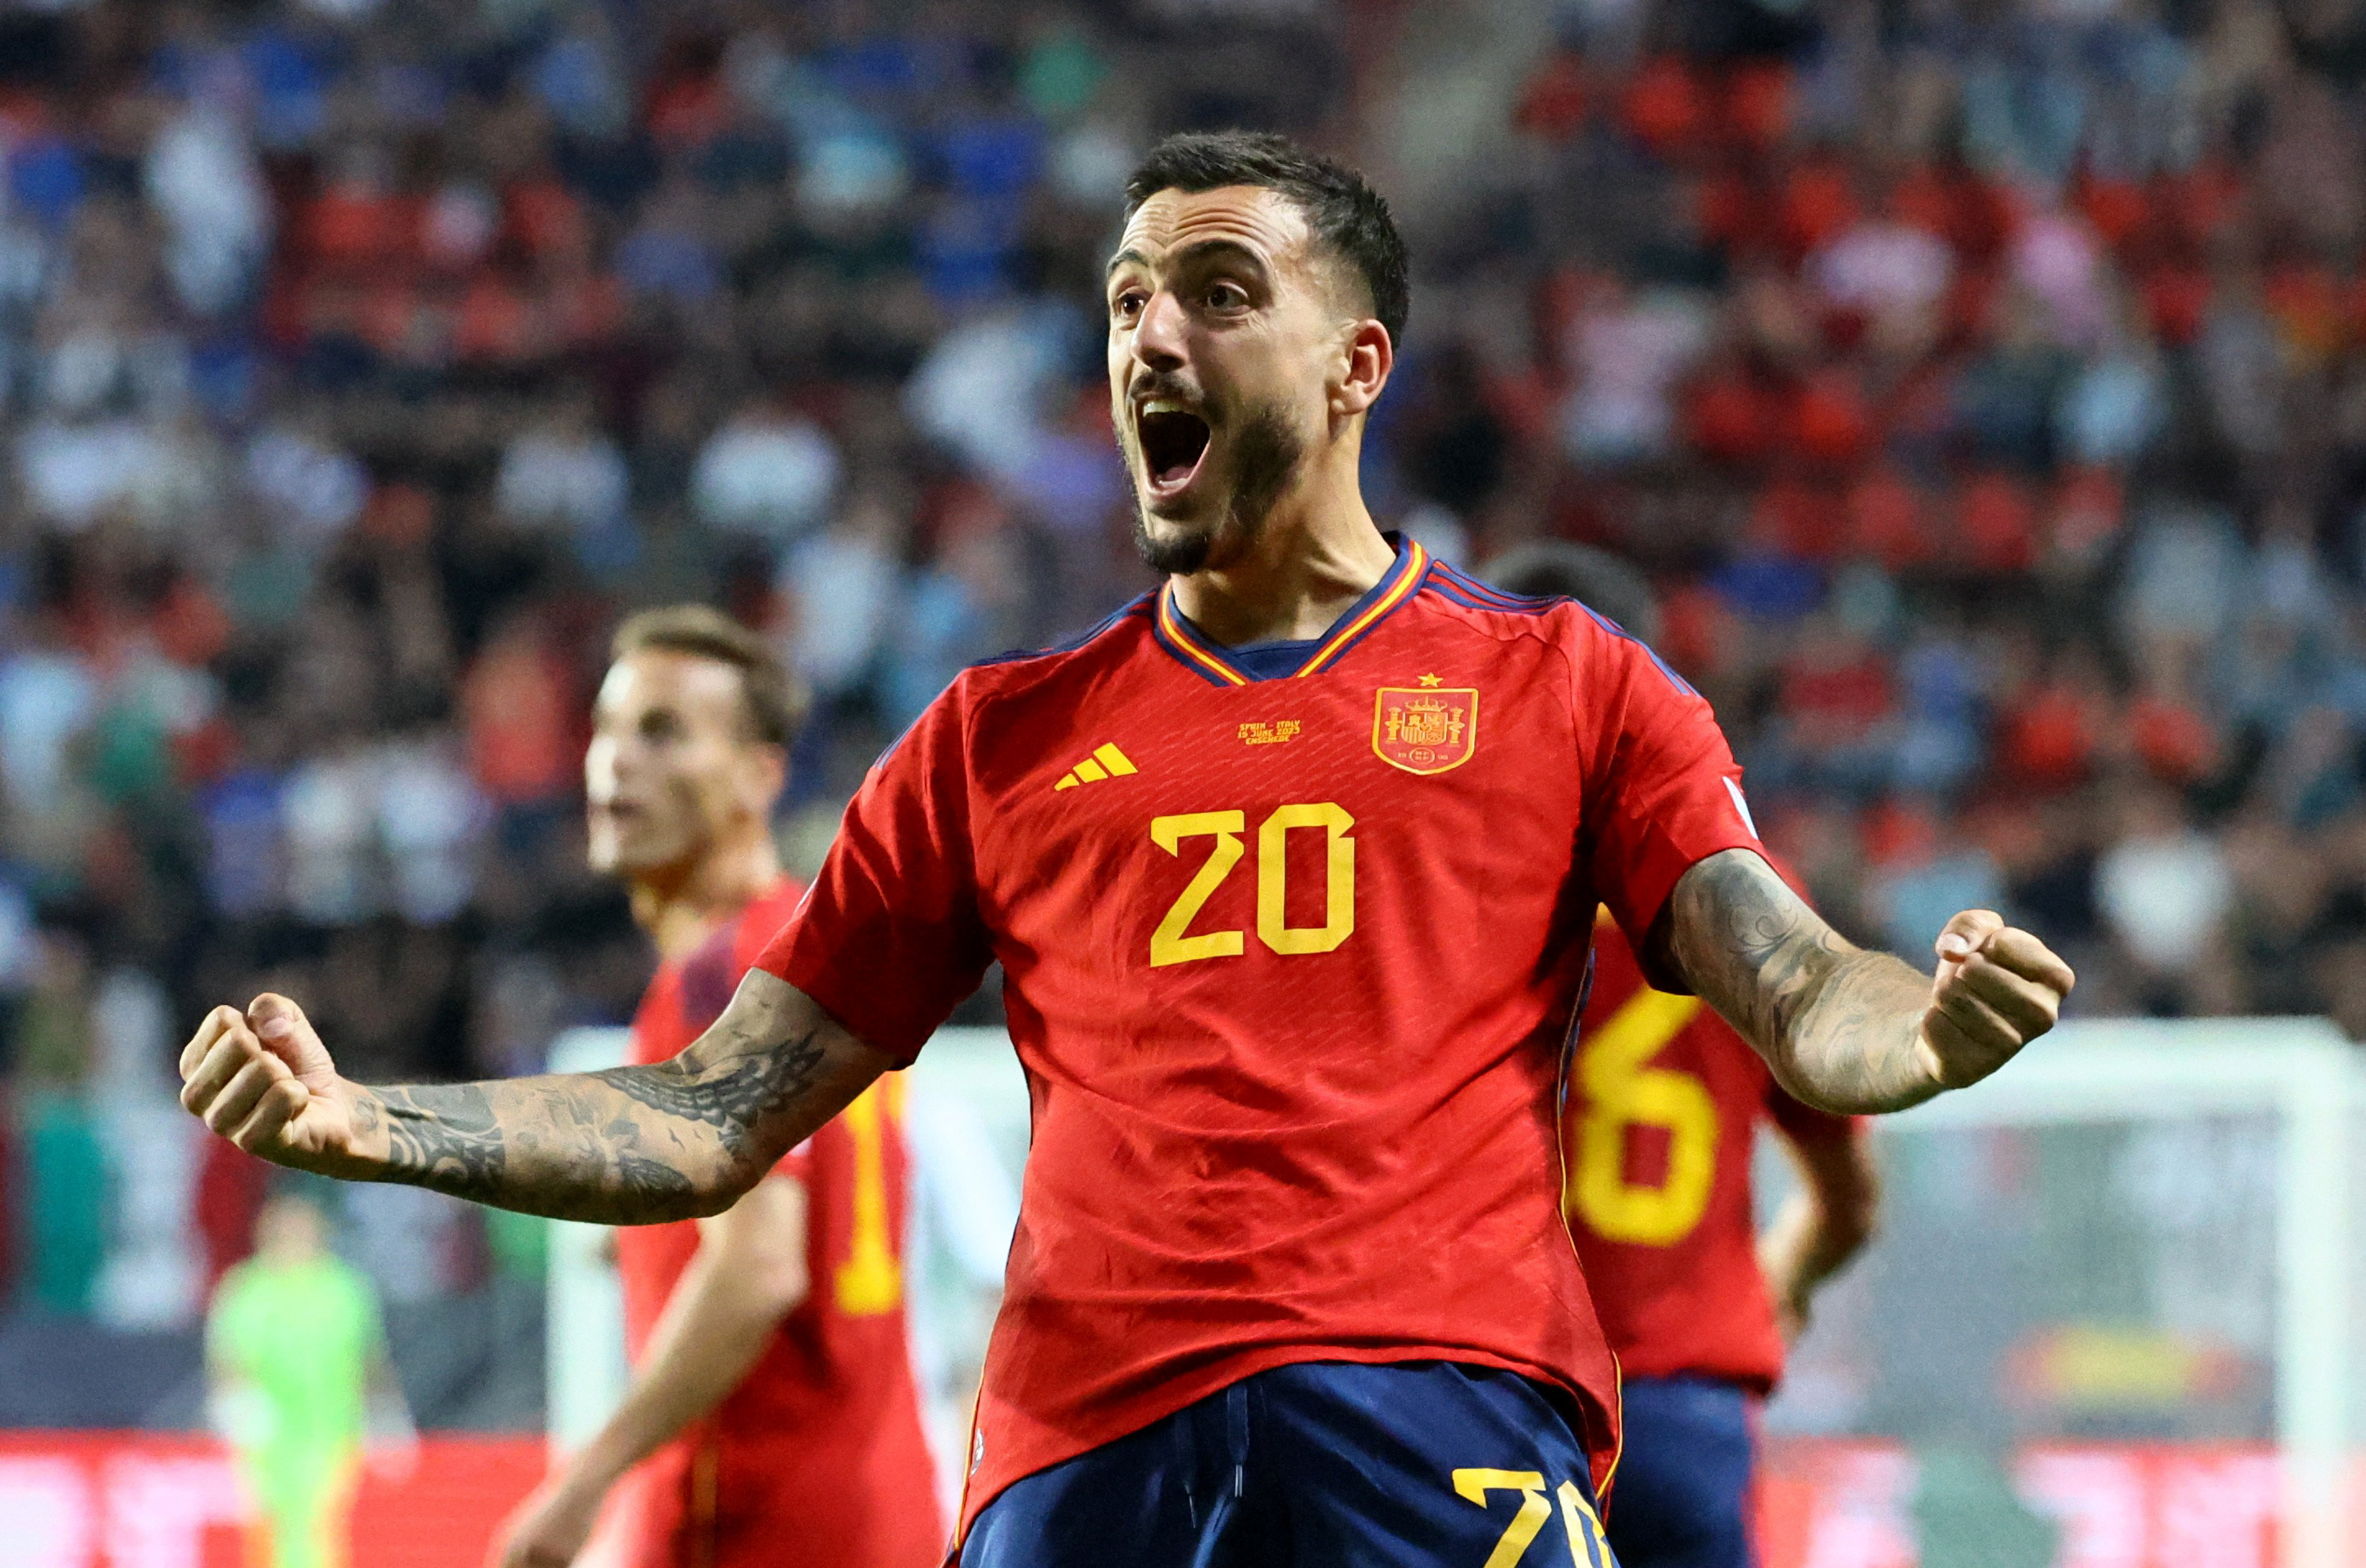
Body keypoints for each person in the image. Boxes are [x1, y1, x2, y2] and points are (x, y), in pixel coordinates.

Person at [177, 132, 2076, 1568]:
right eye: (1123, 302)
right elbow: (710, 1110)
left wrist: (1915, 1034)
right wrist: (374, 1126)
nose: (1149, 335)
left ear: (1357, 365)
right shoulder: (996, 739)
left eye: (1218, 293)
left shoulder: (1563, 685)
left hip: (1436, 1419)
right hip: (1080, 1465)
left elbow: (1792, 978)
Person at [489, 606, 942, 1568]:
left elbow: (758, 1266)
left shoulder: (723, 978)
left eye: (663, 731)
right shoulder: (822, 959)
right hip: (880, 1498)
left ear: (759, 775)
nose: (615, 761)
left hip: (750, 1511)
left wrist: (586, 1476)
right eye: (607, 729)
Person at [1488, 541, 1880, 1568]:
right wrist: (1785, 1271)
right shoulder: (1744, 898)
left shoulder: (1453, 887)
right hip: (1681, 1412)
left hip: (1493, 1407)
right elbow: (1849, 1195)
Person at [207, 1186, 412, 1568]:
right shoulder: (248, 1289)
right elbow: (229, 1361)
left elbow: (368, 1360)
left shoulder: (345, 1288)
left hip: (333, 1433)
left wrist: (385, 1415)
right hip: (269, 1443)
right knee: (272, 1530)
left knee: (322, 1528)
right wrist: (237, 1410)